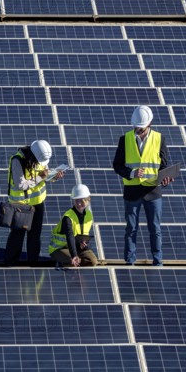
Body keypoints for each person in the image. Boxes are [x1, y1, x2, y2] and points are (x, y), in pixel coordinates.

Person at [112, 106, 174, 266]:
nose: (137, 129)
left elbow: (164, 165)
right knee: (131, 228)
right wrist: (132, 173)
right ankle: (129, 260)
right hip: (132, 191)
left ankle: (158, 260)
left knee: (155, 228)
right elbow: (117, 165)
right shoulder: (124, 139)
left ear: (149, 123)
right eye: (136, 126)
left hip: (153, 191)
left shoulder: (160, 138)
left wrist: (166, 178)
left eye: (141, 127)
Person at [5, 140, 64, 266]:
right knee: (17, 236)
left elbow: (44, 175)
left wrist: (54, 177)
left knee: (35, 235)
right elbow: (21, 184)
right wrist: (40, 177)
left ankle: (33, 261)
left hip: (37, 203)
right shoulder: (17, 160)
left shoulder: (40, 157)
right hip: (20, 205)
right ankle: (10, 262)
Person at [49, 184, 97, 267]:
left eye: (82, 200)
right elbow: (69, 236)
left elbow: (84, 235)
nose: (79, 204)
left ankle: (76, 259)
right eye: (76, 201)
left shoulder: (89, 215)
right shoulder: (68, 217)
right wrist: (74, 255)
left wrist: (84, 243)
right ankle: (61, 262)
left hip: (76, 247)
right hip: (59, 248)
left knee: (92, 261)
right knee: (73, 262)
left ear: (89, 200)